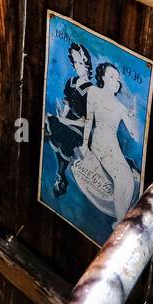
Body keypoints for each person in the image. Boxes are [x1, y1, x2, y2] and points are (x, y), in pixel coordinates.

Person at [84, 62, 140, 221]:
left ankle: (120, 220)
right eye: (111, 76)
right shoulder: (93, 92)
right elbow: (88, 119)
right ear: (102, 77)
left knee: (129, 181)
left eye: (117, 78)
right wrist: (85, 145)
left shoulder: (120, 107)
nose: (115, 81)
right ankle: (121, 222)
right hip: (99, 143)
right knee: (121, 179)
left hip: (113, 146)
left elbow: (135, 135)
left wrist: (132, 116)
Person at [44, 42, 95, 197]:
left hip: (80, 128)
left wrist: (67, 122)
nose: (77, 66)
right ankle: (60, 175)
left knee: (64, 138)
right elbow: (66, 105)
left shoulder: (91, 91)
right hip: (67, 120)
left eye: (80, 63)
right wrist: (62, 118)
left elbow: (88, 122)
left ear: (87, 64)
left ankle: (60, 175)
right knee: (49, 122)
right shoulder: (71, 82)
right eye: (75, 62)